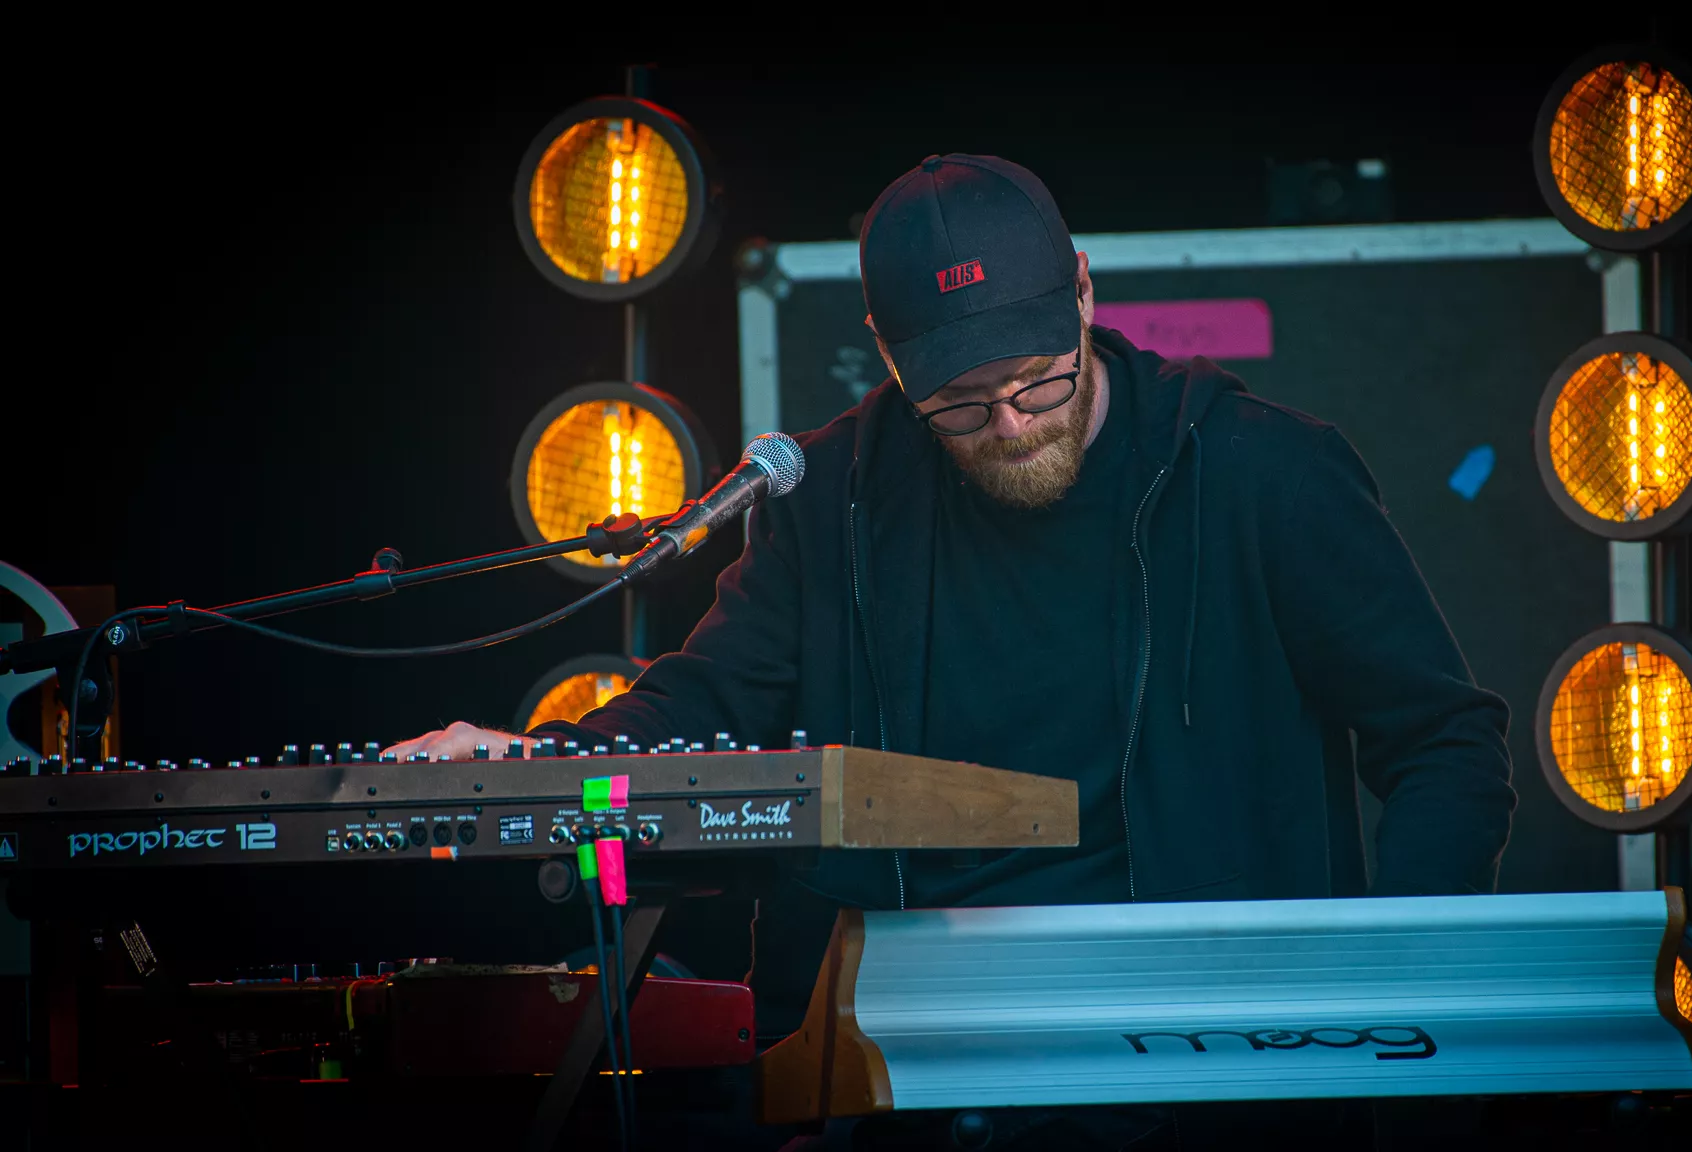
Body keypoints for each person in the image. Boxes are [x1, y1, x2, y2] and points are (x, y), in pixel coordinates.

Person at [388, 154, 1515, 1149]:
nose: (1012, 425)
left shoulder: (1262, 472)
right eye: (962, 405)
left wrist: (1367, 990)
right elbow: (707, 698)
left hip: (1194, 1055)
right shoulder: (832, 497)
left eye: (1039, 380)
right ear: (887, 353)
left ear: (1082, 292)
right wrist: (537, 760)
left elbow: (1445, 744)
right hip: (898, 1056)